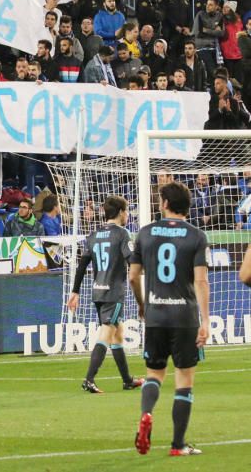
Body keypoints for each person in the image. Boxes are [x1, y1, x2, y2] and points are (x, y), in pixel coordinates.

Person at [129, 182, 209, 457]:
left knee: (154, 374)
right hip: (184, 316)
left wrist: (142, 304)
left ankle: (146, 414)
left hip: (156, 314)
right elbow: (200, 280)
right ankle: (178, 445)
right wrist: (206, 320)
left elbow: (132, 276)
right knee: (184, 379)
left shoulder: (145, 233)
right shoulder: (197, 236)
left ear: (164, 204)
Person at [68, 196, 143, 394]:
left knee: (118, 333)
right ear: (120, 212)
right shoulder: (122, 234)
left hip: (97, 291)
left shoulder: (93, 235)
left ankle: (127, 380)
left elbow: (82, 265)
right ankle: (89, 379)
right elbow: (130, 260)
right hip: (113, 292)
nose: (127, 215)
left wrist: (75, 291)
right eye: (126, 211)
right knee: (107, 333)